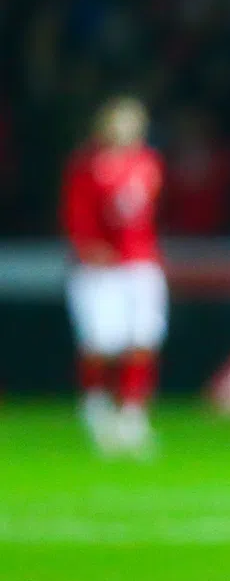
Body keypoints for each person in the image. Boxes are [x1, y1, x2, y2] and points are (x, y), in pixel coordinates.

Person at [61, 96, 166, 458]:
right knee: (101, 342)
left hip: (140, 264)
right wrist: (87, 247)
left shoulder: (148, 163)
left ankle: (133, 413)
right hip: (100, 269)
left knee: (143, 337)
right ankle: (95, 406)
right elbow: (77, 213)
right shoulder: (88, 166)